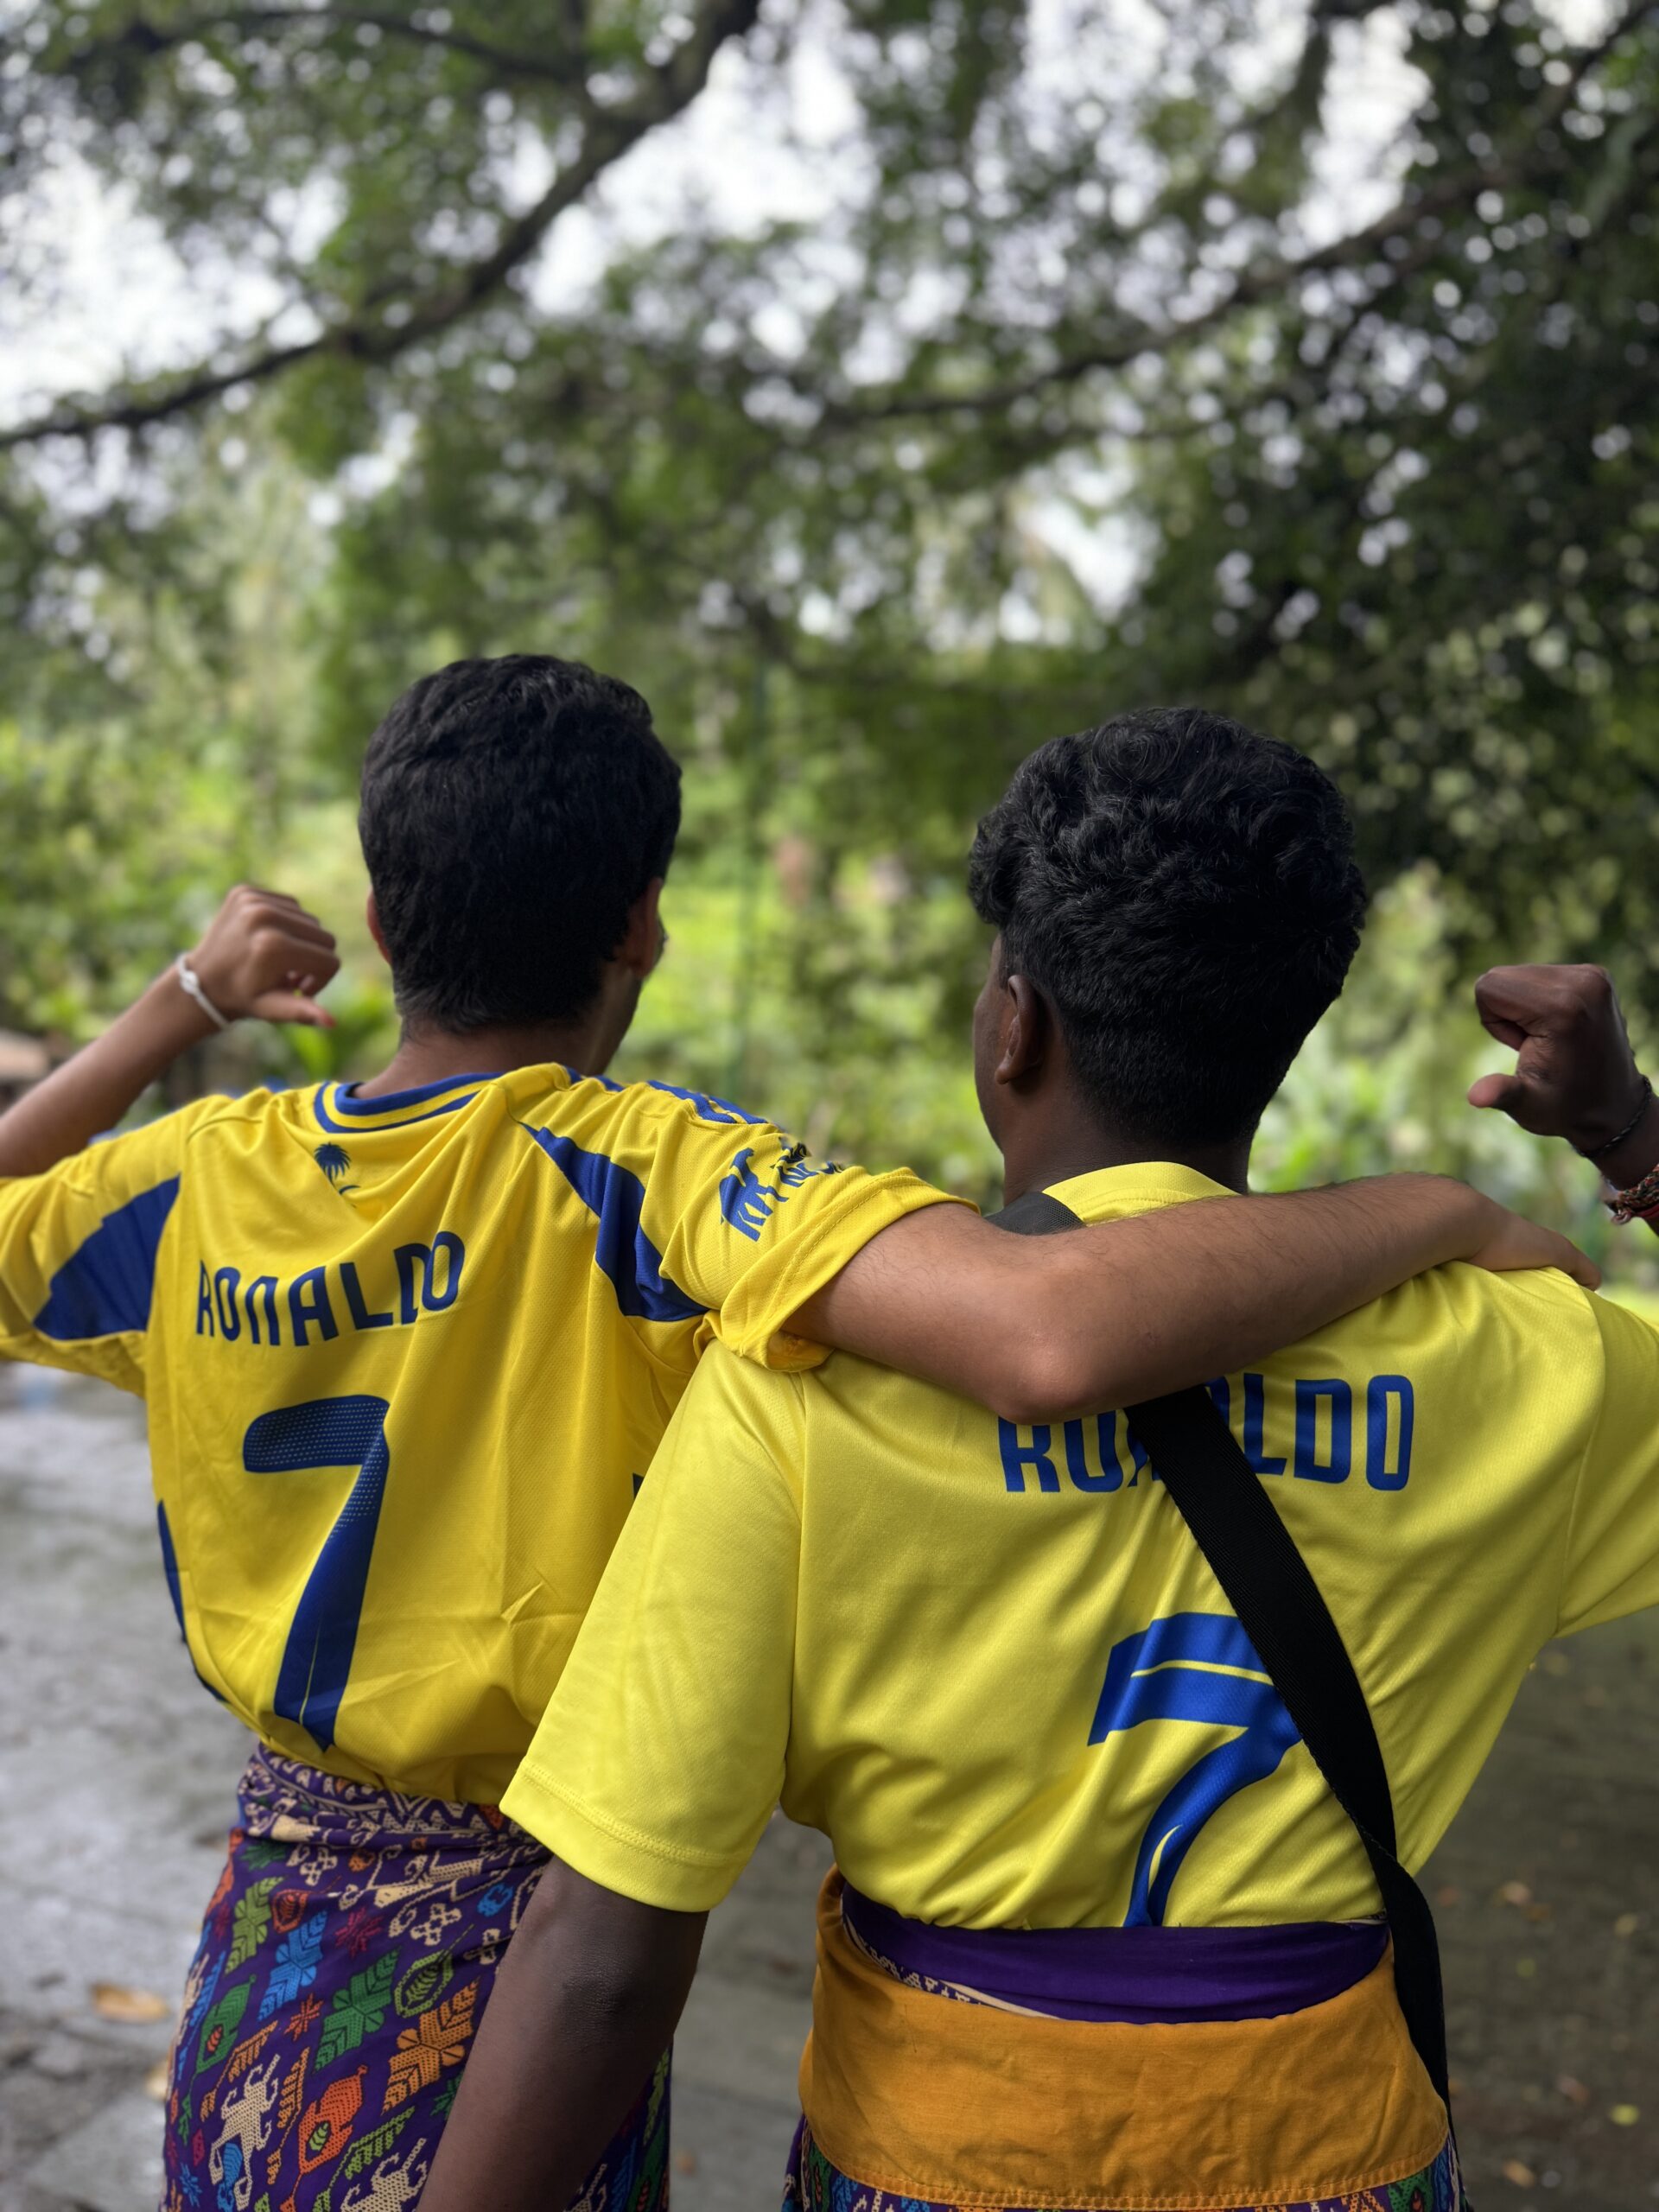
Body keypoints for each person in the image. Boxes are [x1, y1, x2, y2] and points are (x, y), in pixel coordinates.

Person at [0, 664, 1564, 2212]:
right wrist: (1434, 1206)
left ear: (388, 918)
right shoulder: (655, 1177)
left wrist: (176, 1008)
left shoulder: (195, 1181)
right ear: (642, 928)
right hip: (514, 1975)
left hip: (275, 1941)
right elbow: (1043, 1328)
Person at [421, 707, 1655, 2212]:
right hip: (1341, 2159)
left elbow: (607, 1961)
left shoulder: (808, 1379)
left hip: (940, 2163)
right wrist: (1630, 1139)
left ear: (1015, 1024)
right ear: (1284, 1032)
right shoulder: (1522, 1356)